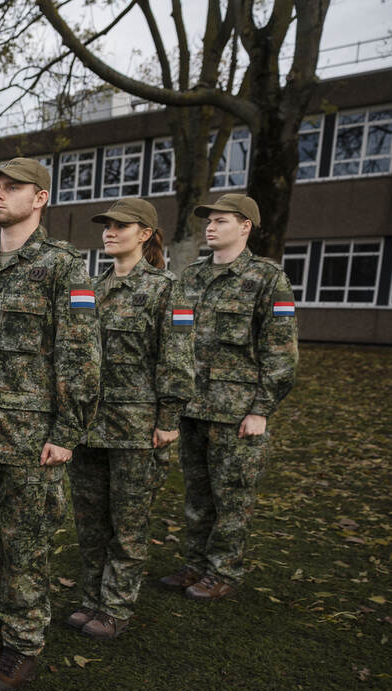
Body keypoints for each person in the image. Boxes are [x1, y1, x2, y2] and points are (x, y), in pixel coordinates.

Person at [0, 157, 101, 691]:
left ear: (41, 198)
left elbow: (80, 355)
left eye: (13, 188)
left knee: (25, 546)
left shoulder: (63, 266)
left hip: (29, 438)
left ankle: (24, 644)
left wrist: (66, 431)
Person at [66, 198, 194, 639]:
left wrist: (169, 416)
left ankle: (116, 606)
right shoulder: (90, 289)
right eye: (107, 225)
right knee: (90, 521)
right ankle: (91, 598)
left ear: (145, 234)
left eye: (122, 226)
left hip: (136, 429)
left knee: (129, 523)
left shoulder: (166, 289)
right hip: (88, 426)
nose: (110, 232)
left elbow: (176, 359)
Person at [160, 193, 298, 601]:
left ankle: (223, 572)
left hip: (237, 413)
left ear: (245, 226)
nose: (211, 226)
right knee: (197, 496)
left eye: (221, 220)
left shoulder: (268, 279)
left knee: (232, 497)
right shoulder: (191, 278)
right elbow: (178, 340)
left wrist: (262, 409)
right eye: (209, 220)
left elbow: (282, 352)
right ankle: (195, 564)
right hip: (193, 408)